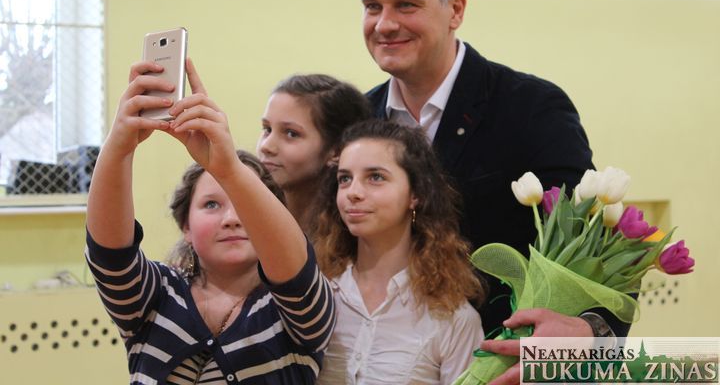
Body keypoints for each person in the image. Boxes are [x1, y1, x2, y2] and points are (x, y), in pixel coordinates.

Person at [360, 0, 630, 380]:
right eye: (372, 6)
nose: (384, 24)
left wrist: (593, 331)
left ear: (456, 9)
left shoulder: (531, 108)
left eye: (405, 5)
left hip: (498, 366)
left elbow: (592, 242)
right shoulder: (356, 119)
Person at [85, 59, 335, 384]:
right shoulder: (157, 295)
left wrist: (229, 169)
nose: (231, 219)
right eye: (211, 204)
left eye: (243, 206)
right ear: (186, 227)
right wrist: (119, 145)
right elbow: (110, 256)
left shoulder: (296, 312)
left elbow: (296, 275)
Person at [313, 119, 485, 385]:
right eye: (344, 179)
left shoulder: (452, 317)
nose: (353, 192)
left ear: (415, 194)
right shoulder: (316, 293)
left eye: (375, 177)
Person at [257, 74, 372, 235]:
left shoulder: (355, 237)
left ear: (336, 151)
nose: (266, 146)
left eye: (291, 133)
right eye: (267, 129)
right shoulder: (244, 222)